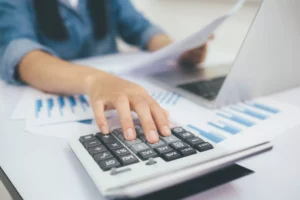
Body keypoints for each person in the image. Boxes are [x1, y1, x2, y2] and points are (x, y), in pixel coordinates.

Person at [0, 0, 208, 143]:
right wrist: (96, 80)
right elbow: (22, 56)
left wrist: (177, 50)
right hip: (55, 102)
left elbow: (142, 30)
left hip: (115, 87)